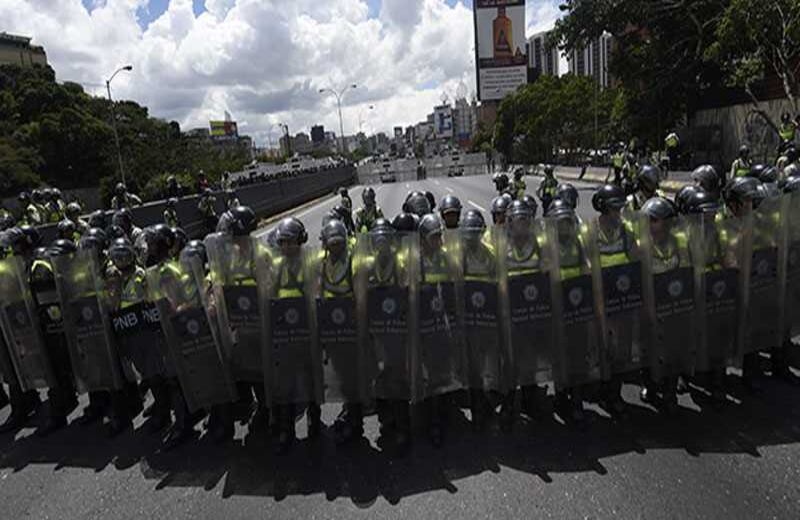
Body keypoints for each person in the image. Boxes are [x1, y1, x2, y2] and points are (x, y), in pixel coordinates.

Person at [268, 217, 320, 453]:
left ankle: (314, 418)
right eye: (283, 243)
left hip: (307, 330)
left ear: (301, 241)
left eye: (291, 242)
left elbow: (318, 293)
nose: (287, 247)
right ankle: (286, 427)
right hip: (284, 334)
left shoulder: (310, 264)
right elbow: (268, 297)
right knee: (285, 381)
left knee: (310, 377)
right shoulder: (274, 268)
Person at [29, 237, 80, 435]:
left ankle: (62, 408)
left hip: (57, 325)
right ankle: (64, 403)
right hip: (54, 325)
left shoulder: (42, 267)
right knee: (59, 368)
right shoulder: (41, 268)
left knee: (59, 368)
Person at [460, 209, 501, 431]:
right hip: (467, 320)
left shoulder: (491, 253)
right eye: (468, 234)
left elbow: (499, 283)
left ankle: (489, 405)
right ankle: (477, 410)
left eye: (476, 233)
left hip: (488, 318)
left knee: (490, 364)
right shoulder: (457, 255)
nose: (472, 238)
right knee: (473, 367)